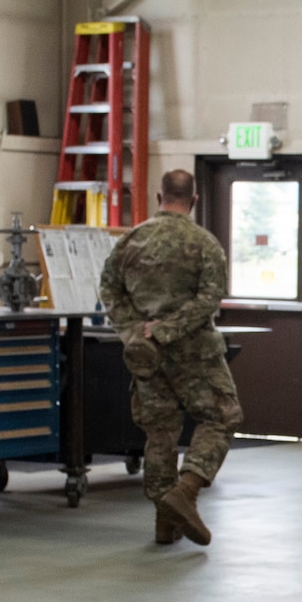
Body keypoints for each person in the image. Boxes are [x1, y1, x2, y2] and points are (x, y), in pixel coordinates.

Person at [100, 169, 243, 546]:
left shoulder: (131, 240)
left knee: (160, 431)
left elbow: (109, 289)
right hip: (195, 352)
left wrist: (136, 332)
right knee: (222, 415)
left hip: (146, 357)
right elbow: (209, 299)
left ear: (158, 197)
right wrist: (169, 330)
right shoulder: (204, 243)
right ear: (193, 200)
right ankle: (187, 491)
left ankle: (165, 524)